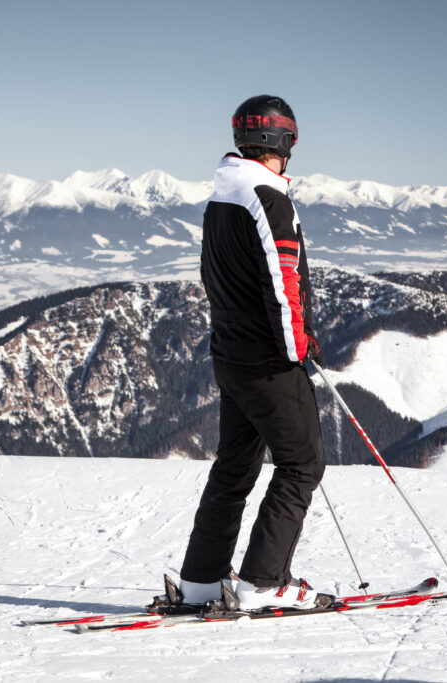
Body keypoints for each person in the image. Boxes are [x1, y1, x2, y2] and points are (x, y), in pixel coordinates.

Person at [177, 95, 326, 611]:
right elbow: (283, 283)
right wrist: (298, 346)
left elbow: (212, 276)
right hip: (268, 359)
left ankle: (200, 581)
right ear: (284, 142)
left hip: (232, 353)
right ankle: (263, 581)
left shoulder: (222, 197)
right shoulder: (268, 197)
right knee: (302, 463)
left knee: (235, 467)